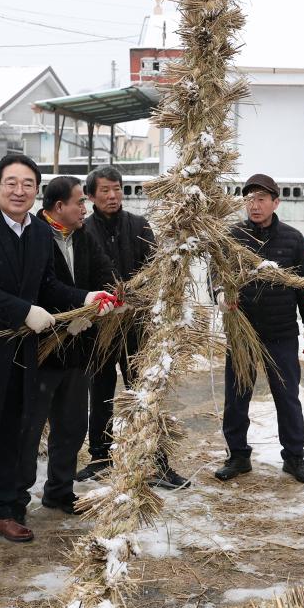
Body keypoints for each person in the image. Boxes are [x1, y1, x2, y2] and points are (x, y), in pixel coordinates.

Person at [0, 154, 112, 560]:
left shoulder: (38, 235)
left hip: (17, 354)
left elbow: (46, 284)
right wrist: (23, 311)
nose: (19, 191)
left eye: (27, 183)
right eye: (11, 183)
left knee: (9, 435)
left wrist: (85, 298)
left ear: (37, 191)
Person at [76, 166, 190, 489]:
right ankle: (100, 458)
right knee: (99, 393)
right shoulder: (83, 231)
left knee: (144, 393)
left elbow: (155, 272)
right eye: (105, 191)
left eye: (117, 189)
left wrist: (139, 299)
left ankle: (157, 461)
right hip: (99, 328)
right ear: (90, 196)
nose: (112, 196)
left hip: (137, 327)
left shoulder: (140, 226)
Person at [14, 176, 116, 517]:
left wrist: (109, 297)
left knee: (72, 424)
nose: (84, 208)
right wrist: (74, 307)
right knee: (29, 428)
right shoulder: (34, 235)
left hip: (78, 347)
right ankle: (15, 497)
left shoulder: (84, 235)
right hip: (41, 348)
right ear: (59, 207)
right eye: (79, 202)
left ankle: (59, 489)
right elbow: (43, 286)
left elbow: (103, 271)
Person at [213, 174, 304, 484]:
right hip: (242, 331)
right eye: (249, 199)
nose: (254, 205)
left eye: (261, 199)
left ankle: (294, 457)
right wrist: (219, 292)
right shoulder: (231, 237)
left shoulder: (292, 239)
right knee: (237, 395)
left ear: (276, 202)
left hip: (281, 332)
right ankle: (237, 455)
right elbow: (217, 274)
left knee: (287, 396)